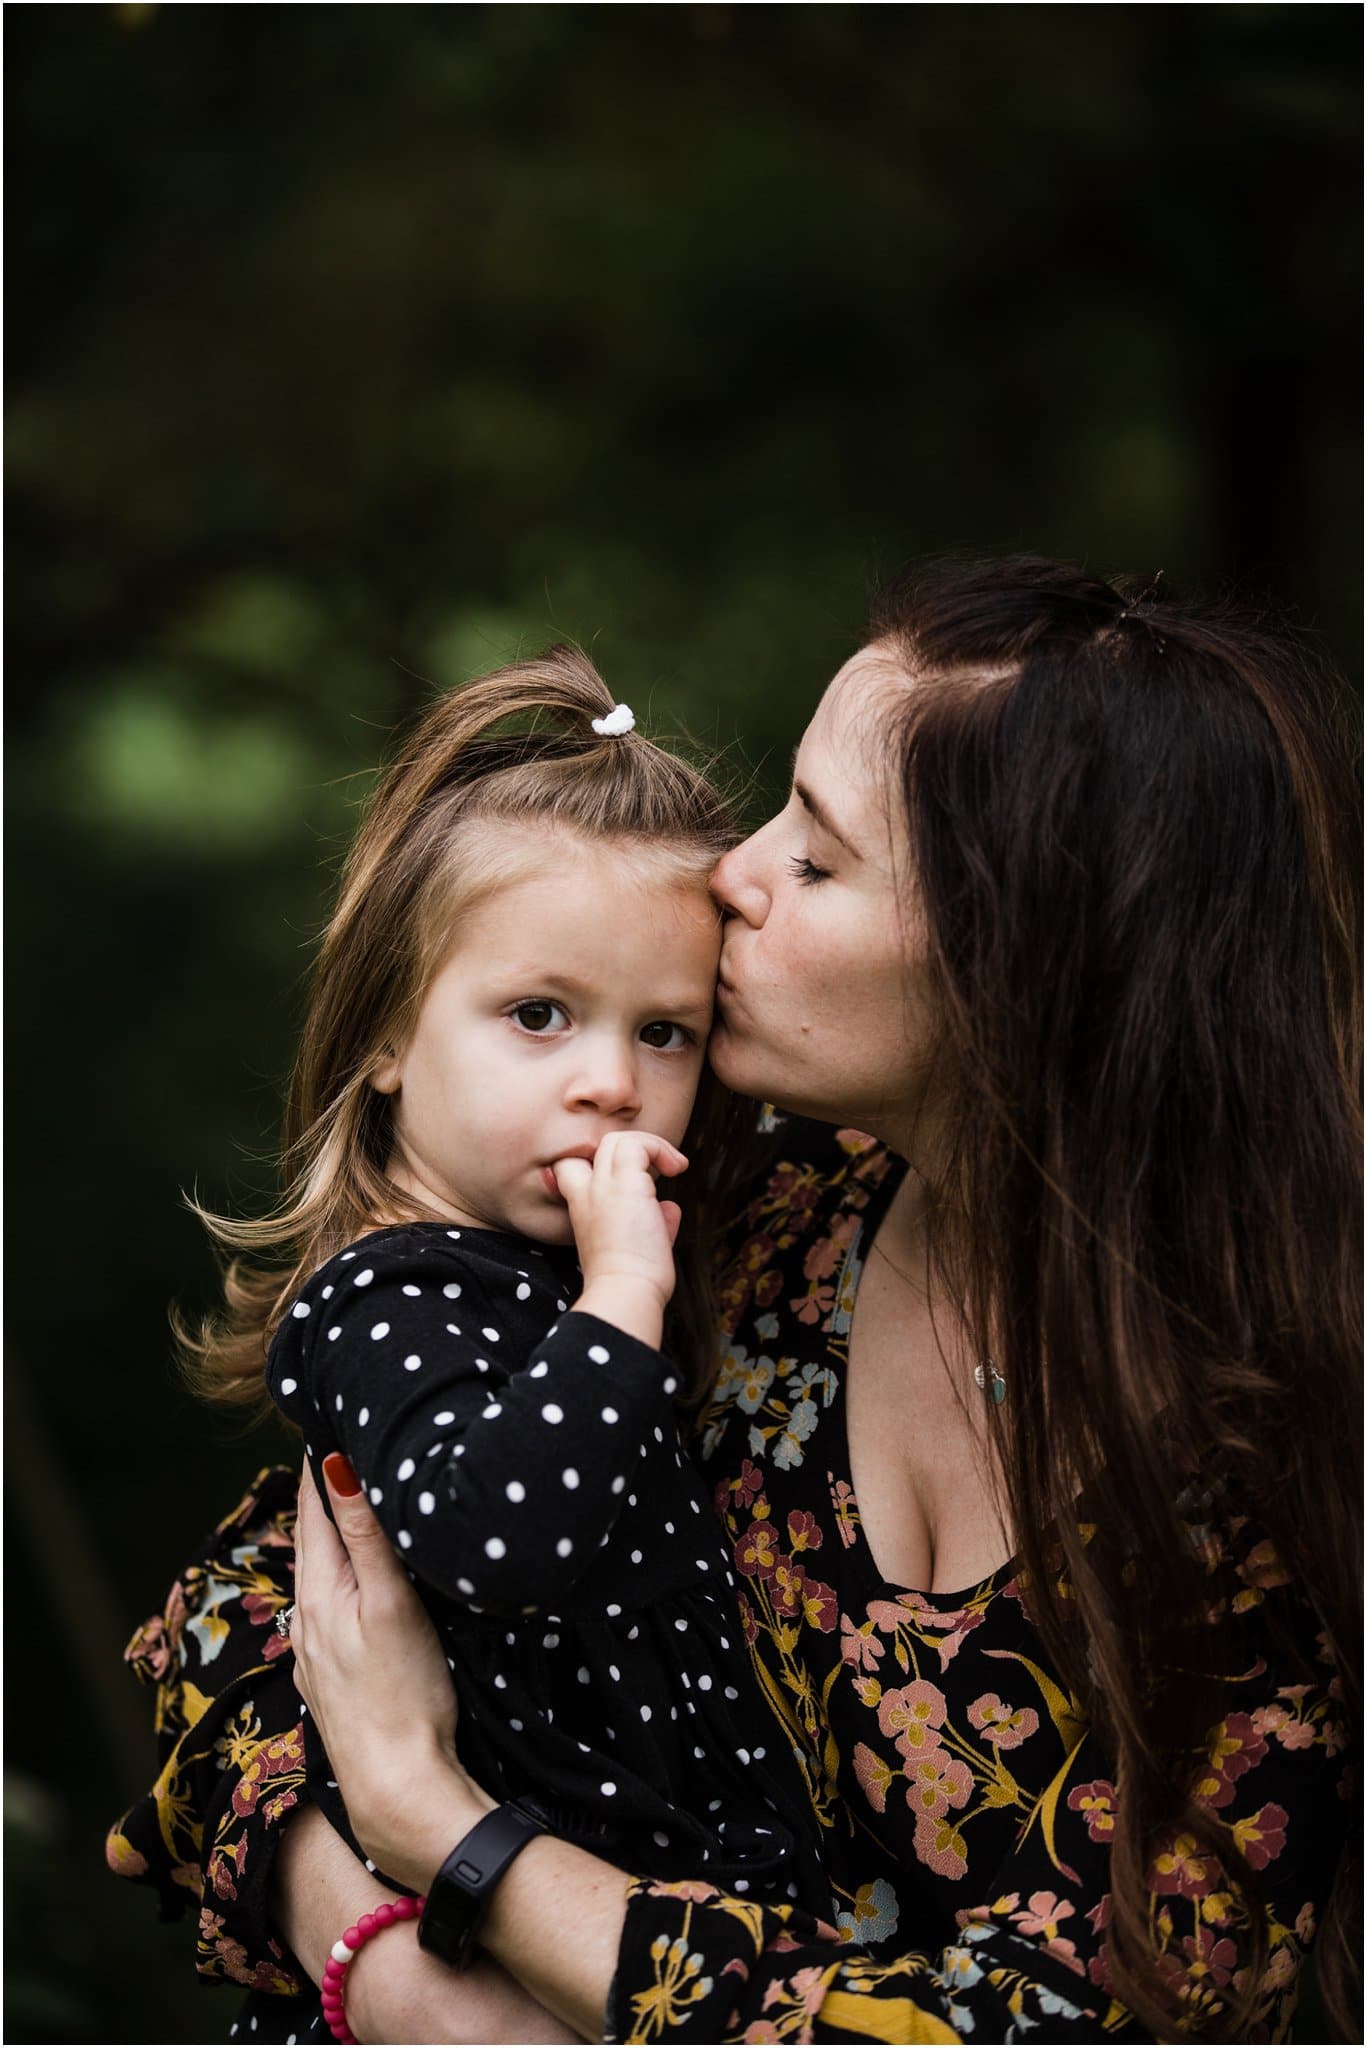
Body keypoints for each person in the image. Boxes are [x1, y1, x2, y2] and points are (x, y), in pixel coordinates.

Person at [109, 556, 1361, 2044]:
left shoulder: (1278, 1455)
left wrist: (456, 1844)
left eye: (817, 859)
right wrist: (395, 1970)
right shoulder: (760, 1217)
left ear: (1020, 971)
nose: (733, 877)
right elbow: (257, 1602)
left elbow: (1073, 2021)